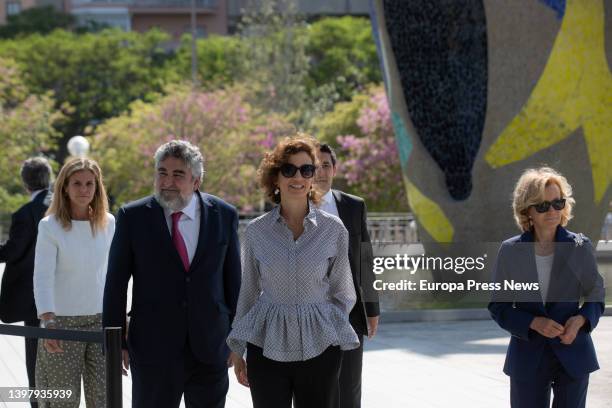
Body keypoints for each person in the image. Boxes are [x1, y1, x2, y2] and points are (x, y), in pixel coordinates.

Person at [103, 140, 241, 408]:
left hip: (211, 347)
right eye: (162, 172)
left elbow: (234, 282)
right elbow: (116, 283)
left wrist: (239, 340)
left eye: (178, 174)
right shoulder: (132, 217)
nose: (167, 181)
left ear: (196, 181)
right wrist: (115, 342)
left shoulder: (224, 215)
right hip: (153, 348)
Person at [227, 135, 359, 408]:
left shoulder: (334, 230)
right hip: (266, 346)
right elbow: (249, 293)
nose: (297, 176)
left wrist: (328, 324)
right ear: (275, 178)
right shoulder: (256, 232)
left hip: (321, 346)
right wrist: (238, 346)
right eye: (289, 169)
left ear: (313, 177)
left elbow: (343, 291)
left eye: (306, 169)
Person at [488, 167, 605, 408]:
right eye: (542, 206)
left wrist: (581, 320)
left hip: (573, 353)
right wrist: (533, 323)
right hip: (528, 357)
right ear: (527, 210)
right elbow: (498, 307)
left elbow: (596, 295)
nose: (552, 211)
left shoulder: (579, 246)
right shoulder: (510, 251)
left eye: (557, 203)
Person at [33, 157, 115, 407]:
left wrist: (121, 318)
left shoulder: (109, 223)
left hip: (101, 323)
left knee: (102, 399)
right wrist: (48, 320)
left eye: (90, 183)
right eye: (77, 183)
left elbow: (114, 275)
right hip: (61, 324)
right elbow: (42, 275)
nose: (84, 189)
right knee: (62, 401)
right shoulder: (50, 226)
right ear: (64, 188)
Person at [315, 143, 380, 408]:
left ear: (335, 169)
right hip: (308, 312)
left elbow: (365, 258)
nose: (320, 172)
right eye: (313, 166)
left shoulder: (354, 206)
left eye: (326, 165)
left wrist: (372, 310)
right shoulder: (293, 206)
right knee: (313, 388)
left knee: (349, 388)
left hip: (349, 312)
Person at [0, 157, 53, 408]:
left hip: (32, 297)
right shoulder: (66, 205)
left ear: (25, 183)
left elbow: (13, 251)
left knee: (35, 356)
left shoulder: (25, 214)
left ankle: (39, 403)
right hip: (64, 294)